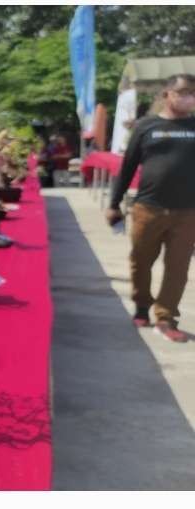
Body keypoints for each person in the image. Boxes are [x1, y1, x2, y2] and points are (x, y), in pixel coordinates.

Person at [106, 73, 195, 341]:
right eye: (183, 92)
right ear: (167, 95)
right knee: (141, 261)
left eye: (192, 93)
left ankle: (166, 318)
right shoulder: (146, 126)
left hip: (187, 212)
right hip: (148, 208)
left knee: (178, 268)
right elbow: (128, 166)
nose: (188, 97)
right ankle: (142, 307)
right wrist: (113, 203)